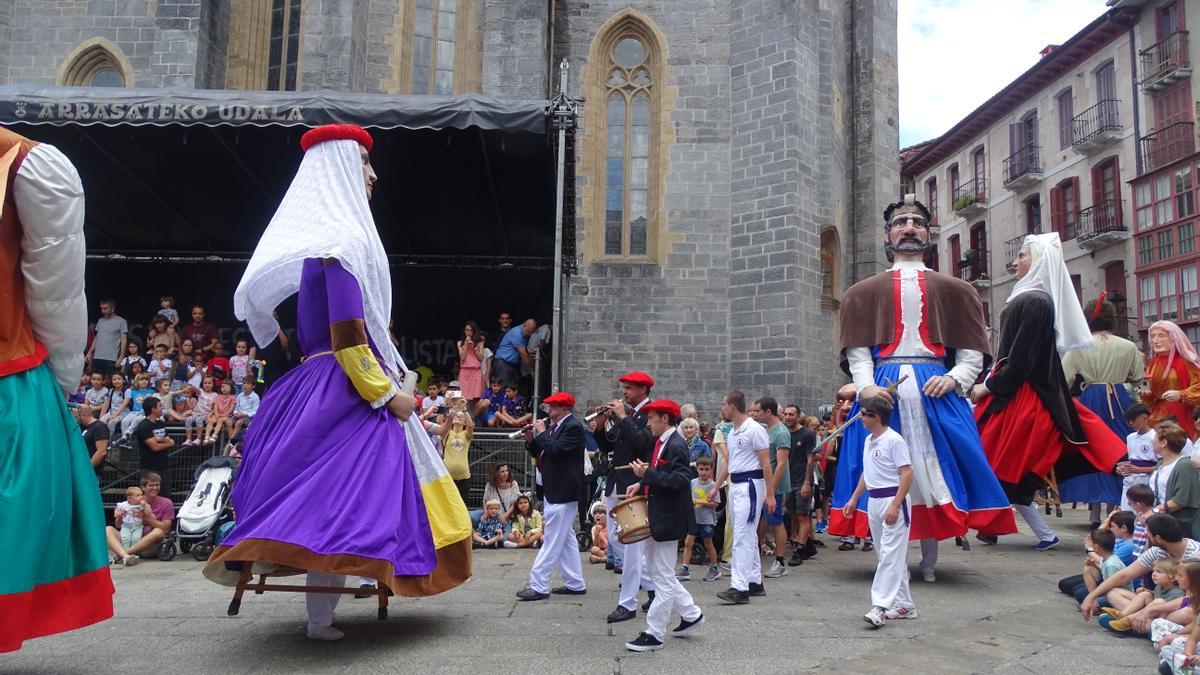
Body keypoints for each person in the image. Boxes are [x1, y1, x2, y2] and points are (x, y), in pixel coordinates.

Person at [204, 124, 471, 641]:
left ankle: (322, 615)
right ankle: (344, 597)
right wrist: (388, 395)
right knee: (354, 494)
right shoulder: (343, 244)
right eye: (364, 163)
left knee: (325, 497)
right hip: (347, 386)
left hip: (316, 382)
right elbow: (350, 340)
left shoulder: (319, 249)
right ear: (342, 171)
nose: (373, 175)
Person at [832, 195, 1016, 582]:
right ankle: (889, 559)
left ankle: (929, 559)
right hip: (883, 392)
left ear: (928, 234)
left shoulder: (957, 290)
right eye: (901, 223)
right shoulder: (861, 292)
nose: (909, 228)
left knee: (932, 474)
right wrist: (866, 389)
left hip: (936, 391)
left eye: (917, 222)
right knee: (881, 474)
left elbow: (971, 354)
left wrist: (954, 378)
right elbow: (858, 352)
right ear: (888, 234)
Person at [972, 233, 1126, 550]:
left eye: (1023, 255)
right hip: (1017, 394)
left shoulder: (1036, 302)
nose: (1016, 261)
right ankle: (995, 527)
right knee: (995, 464)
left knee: (999, 464)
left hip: (1023, 398)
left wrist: (989, 386)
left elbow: (1021, 359)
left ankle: (1021, 530)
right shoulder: (1028, 298)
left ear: (1039, 261)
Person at [622, 399, 705, 652]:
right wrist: (642, 483)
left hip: (669, 517)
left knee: (662, 577)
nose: (648, 423)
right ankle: (691, 614)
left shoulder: (676, 444)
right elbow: (662, 474)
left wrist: (646, 475)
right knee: (658, 572)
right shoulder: (664, 442)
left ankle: (655, 632)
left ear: (665, 419)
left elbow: (680, 480)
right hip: (659, 514)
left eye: (651, 418)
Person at [842, 395, 916, 627]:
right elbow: (868, 472)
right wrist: (854, 498)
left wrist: (895, 504)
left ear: (878, 417)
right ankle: (905, 605)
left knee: (890, 555)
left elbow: (907, 474)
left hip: (892, 499)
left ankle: (880, 607)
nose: (861, 418)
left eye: (865, 414)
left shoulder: (894, 440)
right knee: (887, 554)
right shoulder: (869, 440)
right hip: (874, 499)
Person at [592, 370, 656, 623]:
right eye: (624, 388)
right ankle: (653, 587)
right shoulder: (628, 414)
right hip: (616, 481)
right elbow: (609, 445)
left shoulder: (650, 413)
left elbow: (642, 444)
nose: (624, 392)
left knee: (631, 545)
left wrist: (622, 417)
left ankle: (627, 603)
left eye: (629, 388)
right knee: (616, 539)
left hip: (633, 483)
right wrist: (599, 426)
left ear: (643, 390)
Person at [516, 391, 586, 601]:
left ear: (564, 408)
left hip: (564, 490)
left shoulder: (572, 427)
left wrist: (541, 433)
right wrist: (531, 439)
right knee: (566, 538)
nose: (549, 410)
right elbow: (543, 453)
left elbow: (556, 450)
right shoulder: (555, 427)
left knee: (552, 539)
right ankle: (575, 582)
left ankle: (539, 585)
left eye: (553, 406)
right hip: (552, 488)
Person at [714, 390, 774, 605]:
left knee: (742, 536)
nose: (722, 408)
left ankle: (739, 587)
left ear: (732, 406)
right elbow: (728, 462)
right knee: (746, 534)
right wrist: (715, 487)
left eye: (724, 404)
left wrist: (770, 494)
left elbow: (766, 463)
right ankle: (754, 581)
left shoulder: (754, 429)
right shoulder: (732, 432)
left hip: (750, 485)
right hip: (736, 484)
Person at [1081, 514, 1200, 622]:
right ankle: (1137, 619)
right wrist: (1091, 597)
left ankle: (1136, 621)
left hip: (1184, 605)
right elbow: (1124, 575)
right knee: (1112, 593)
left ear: (1158, 538)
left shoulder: (1195, 555)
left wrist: (1153, 609)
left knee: (1186, 614)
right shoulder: (1157, 551)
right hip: (1158, 601)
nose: (1147, 538)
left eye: (1148, 534)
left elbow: (1191, 599)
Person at [751, 397, 791, 579]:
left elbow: (781, 464)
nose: (755, 414)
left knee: (776, 522)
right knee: (767, 521)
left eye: (758, 411)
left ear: (768, 412)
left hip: (775, 487)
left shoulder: (781, 432)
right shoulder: (767, 430)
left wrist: (771, 491)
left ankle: (780, 562)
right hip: (766, 484)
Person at [104, 472, 174, 565]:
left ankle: (122, 555)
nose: (155, 488)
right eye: (151, 485)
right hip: (128, 539)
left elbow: (165, 529)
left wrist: (147, 518)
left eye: (157, 485)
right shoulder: (131, 501)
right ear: (143, 487)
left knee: (158, 532)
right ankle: (127, 556)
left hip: (147, 545)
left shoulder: (167, 503)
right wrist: (119, 516)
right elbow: (118, 525)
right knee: (108, 529)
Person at [1099, 558, 1183, 635]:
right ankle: (1122, 614)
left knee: (1158, 602)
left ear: (1172, 577)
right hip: (1152, 612)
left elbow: (1166, 607)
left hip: (1162, 617)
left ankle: (1128, 621)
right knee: (1145, 594)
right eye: (1153, 571)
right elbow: (1158, 596)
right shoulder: (1159, 587)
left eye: (1159, 572)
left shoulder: (1177, 592)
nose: (1154, 574)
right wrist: (1150, 592)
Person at [1144, 320, 1200, 432]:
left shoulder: (1187, 361)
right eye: (1153, 336)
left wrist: (1181, 394)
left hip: (1183, 414)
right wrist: (1144, 392)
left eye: (1161, 336)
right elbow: (1146, 388)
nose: (1155, 341)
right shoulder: (1152, 363)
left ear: (1174, 338)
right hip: (1158, 416)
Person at [783, 404, 820, 564]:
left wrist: (806, 483)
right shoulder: (783, 432)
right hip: (788, 481)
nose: (788, 417)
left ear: (798, 416)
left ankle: (799, 550)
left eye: (791, 414)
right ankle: (808, 545)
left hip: (802, 481)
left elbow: (810, 461)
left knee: (803, 515)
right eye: (785, 414)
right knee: (793, 514)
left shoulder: (807, 434)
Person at [677, 455, 720, 583]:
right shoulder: (693, 483)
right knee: (688, 542)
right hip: (693, 519)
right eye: (701, 469)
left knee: (708, 544)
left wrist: (698, 501)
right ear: (697, 469)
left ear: (711, 469)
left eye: (707, 469)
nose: (704, 472)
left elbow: (715, 504)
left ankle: (714, 568)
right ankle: (685, 568)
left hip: (707, 520)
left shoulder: (713, 485)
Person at [1152, 422, 1200, 538]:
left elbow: (1180, 500)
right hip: (1162, 520)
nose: (1152, 441)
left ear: (1164, 442)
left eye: (1155, 438)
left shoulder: (1184, 465)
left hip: (1180, 525)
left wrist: (1154, 511)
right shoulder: (1160, 464)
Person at [1121, 404, 1159, 511]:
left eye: (1133, 419)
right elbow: (1131, 460)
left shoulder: (1155, 437)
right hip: (1130, 479)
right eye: (1129, 420)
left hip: (1147, 480)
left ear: (1144, 417)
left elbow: (1162, 465)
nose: (1130, 423)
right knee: (1126, 511)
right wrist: (1123, 467)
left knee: (1142, 512)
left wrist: (1140, 470)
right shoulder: (1130, 437)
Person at [134, 396, 174, 491]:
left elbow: (171, 440)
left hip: (164, 467)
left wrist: (159, 439)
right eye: (160, 406)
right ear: (153, 409)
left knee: (165, 494)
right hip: (150, 468)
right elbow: (155, 447)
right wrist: (167, 442)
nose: (162, 408)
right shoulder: (144, 426)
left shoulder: (161, 423)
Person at [86, 299, 127, 376]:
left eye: (105, 308)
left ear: (112, 309)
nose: (102, 311)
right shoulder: (100, 321)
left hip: (111, 358)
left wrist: (121, 356)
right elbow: (97, 337)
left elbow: (124, 340)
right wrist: (90, 352)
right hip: (97, 357)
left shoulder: (121, 321)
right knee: (95, 378)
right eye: (101, 308)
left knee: (110, 379)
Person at [441, 409, 473, 504]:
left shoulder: (466, 435)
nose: (458, 416)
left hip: (464, 478)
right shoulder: (447, 433)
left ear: (464, 422)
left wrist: (465, 410)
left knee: (462, 504)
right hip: (448, 477)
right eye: (456, 415)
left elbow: (470, 426)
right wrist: (447, 409)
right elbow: (440, 423)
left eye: (461, 416)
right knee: (448, 504)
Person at [494, 319, 535, 388]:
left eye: (532, 332)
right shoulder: (517, 333)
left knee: (512, 389)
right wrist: (531, 369)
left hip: (512, 365)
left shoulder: (524, 334)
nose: (530, 334)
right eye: (529, 332)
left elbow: (525, 349)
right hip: (503, 364)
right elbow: (523, 354)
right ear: (524, 325)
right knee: (505, 388)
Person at [77, 405, 110, 478]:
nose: (77, 418)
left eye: (78, 416)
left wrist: (87, 469)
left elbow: (101, 452)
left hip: (92, 474)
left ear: (84, 414)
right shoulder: (81, 427)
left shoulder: (100, 427)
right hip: (79, 469)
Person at [457, 321, 485, 400]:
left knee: (477, 397)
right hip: (464, 372)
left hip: (476, 372)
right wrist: (466, 344)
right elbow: (462, 357)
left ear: (474, 331)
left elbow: (481, 358)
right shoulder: (459, 343)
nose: (468, 332)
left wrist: (474, 348)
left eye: (471, 330)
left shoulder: (480, 342)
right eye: (467, 330)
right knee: (463, 398)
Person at [113, 486, 146, 554]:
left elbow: (148, 512)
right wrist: (118, 513)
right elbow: (117, 508)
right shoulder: (123, 504)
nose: (141, 497)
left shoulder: (142, 504)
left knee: (136, 539)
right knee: (125, 539)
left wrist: (144, 506)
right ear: (129, 498)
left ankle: (133, 553)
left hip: (138, 526)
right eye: (138, 495)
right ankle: (125, 553)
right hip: (126, 526)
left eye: (141, 495)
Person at [203, 380, 237, 446]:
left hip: (227, 415)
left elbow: (231, 408)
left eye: (226, 387)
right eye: (222, 387)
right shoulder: (218, 396)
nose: (224, 389)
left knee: (220, 420)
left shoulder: (233, 397)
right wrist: (216, 414)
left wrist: (224, 415)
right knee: (211, 420)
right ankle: (207, 436)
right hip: (217, 414)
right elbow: (215, 407)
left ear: (231, 388)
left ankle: (214, 435)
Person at [101, 371, 131, 436]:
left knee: (111, 422)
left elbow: (124, 404)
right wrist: (101, 415)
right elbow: (106, 404)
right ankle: (102, 438)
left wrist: (115, 414)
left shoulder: (127, 391)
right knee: (101, 421)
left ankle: (109, 439)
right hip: (111, 412)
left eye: (119, 379)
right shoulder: (111, 391)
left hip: (122, 413)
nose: (116, 381)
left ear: (124, 380)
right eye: (114, 379)